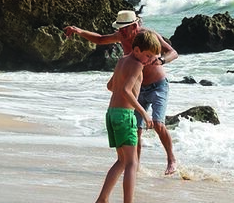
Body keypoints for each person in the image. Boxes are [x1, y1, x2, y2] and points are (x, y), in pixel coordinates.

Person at [65, 10, 179, 174]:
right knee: (136, 129)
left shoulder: (148, 36)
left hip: (157, 85)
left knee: (159, 124)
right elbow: (101, 39)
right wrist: (79, 31)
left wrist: (161, 60)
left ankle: (171, 159)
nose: (120, 32)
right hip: (138, 88)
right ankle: (136, 167)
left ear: (134, 26)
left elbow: (173, 52)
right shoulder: (121, 36)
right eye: (119, 29)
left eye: (124, 29)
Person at [92, 30, 160, 203]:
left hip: (112, 114)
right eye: (148, 56)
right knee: (131, 162)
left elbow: (110, 86)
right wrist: (144, 113)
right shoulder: (137, 65)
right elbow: (125, 90)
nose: (148, 60)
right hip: (124, 115)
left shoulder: (122, 60)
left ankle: (102, 201)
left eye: (152, 57)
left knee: (122, 161)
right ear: (137, 50)